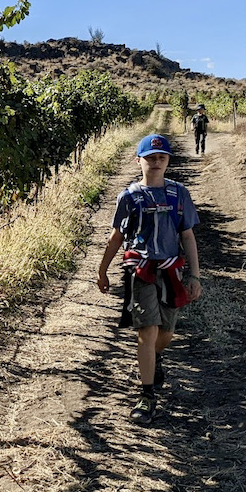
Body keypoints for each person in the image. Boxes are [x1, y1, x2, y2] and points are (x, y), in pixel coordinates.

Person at [97, 133, 203, 424]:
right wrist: (102, 270)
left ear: (168, 161)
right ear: (139, 161)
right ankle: (146, 396)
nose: (156, 163)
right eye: (150, 158)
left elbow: (187, 235)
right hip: (140, 270)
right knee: (147, 331)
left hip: (172, 271)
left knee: (165, 333)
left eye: (161, 158)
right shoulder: (129, 197)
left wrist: (194, 275)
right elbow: (116, 236)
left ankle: (154, 361)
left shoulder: (179, 193)